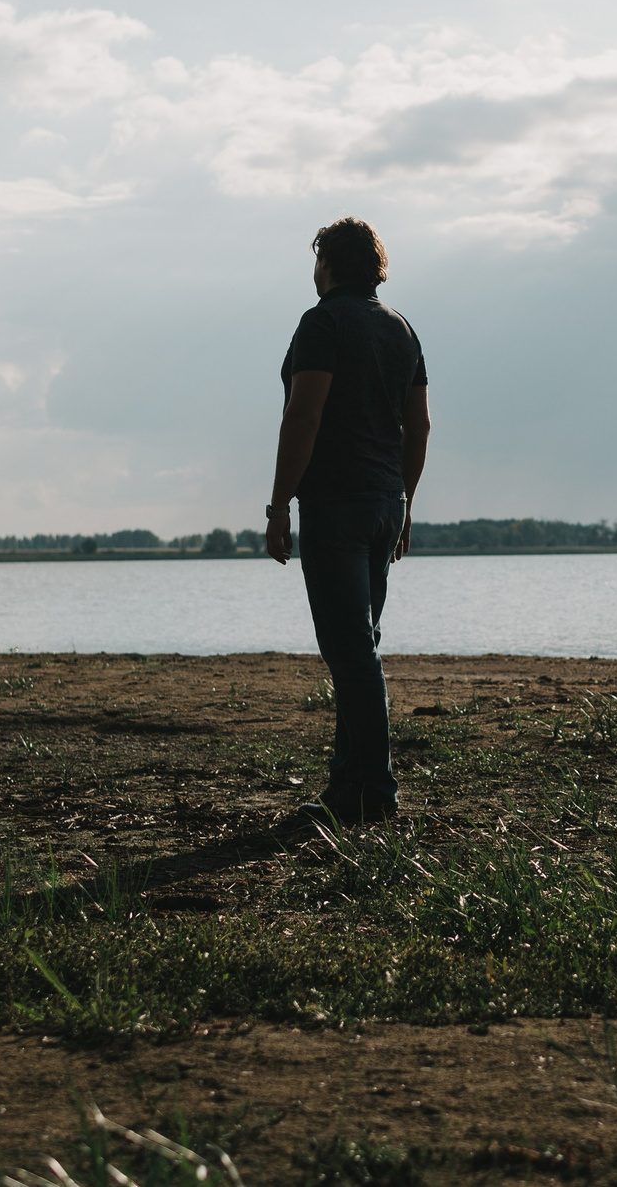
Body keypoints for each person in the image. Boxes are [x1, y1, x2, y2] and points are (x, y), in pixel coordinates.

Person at [267, 218, 430, 824]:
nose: (314, 272)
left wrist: (279, 504)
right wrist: (406, 502)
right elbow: (420, 426)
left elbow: (303, 417)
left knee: (352, 652)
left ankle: (376, 794)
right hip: (385, 503)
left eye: (317, 261)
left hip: (338, 505)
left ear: (329, 264)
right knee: (360, 648)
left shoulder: (323, 323)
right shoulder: (400, 328)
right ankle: (348, 788)